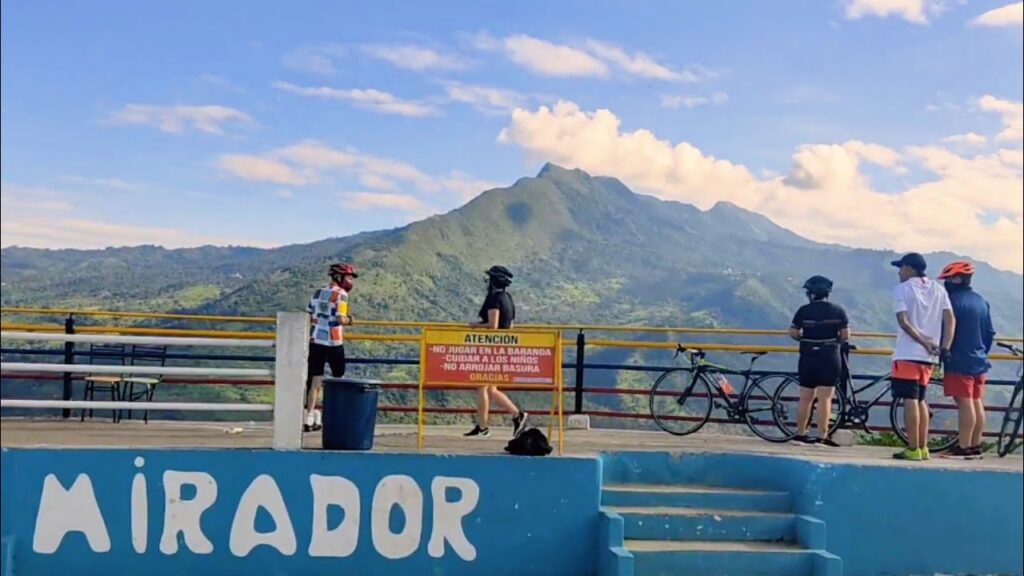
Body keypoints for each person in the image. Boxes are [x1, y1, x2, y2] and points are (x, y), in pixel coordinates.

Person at [890, 253, 955, 461]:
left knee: (909, 400)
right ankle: (923, 447)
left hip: (908, 352)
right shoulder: (939, 289)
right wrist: (944, 347)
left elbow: (903, 321)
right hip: (929, 357)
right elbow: (950, 319)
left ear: (910, 269)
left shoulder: (902, 289)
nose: (899, 272)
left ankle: (912, 447)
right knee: (921, 400)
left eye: (901, 268)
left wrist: (922, 342)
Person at [937, 261, 995, 459]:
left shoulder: (951, 302)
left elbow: (944, 330)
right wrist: (981, 351)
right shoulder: (981, 301)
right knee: (976, 401)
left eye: (947, 280)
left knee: (964, 403)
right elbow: (989, 332)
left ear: (955, 279)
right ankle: (975, 444)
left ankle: (963, 446)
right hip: (979, 359)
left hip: (959, 359)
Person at [464, 265, 529, 439]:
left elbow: (493, 326)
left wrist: (474, 325)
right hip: (502, 349)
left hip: (491, 349)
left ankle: (484, 427)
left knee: (482, 386)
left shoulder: (494, 299)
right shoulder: (508, 298)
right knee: (490, 389)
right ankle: (515, 415)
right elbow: (510, 326)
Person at [788, 276, 850, 446]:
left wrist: (804, 338)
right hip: (830, 355)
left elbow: (793, 332)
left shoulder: (803, 311)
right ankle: (822, 436)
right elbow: (845, 336)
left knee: (805, 396)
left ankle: (801, 434)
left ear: (810, 293)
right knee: (825, 397)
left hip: (808, 355)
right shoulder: (838, 311)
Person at [304, 263, 356, 432]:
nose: (350, 281)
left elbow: (309, 315)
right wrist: (351, 320)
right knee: (339, 379)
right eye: (348, 277)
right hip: (334, 342)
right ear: (339, 277)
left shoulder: (318, 292)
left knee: (315, 381)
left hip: (316, 341)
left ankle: (309, 417)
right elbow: (341, 319)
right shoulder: (341, 295)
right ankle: (337, 416)